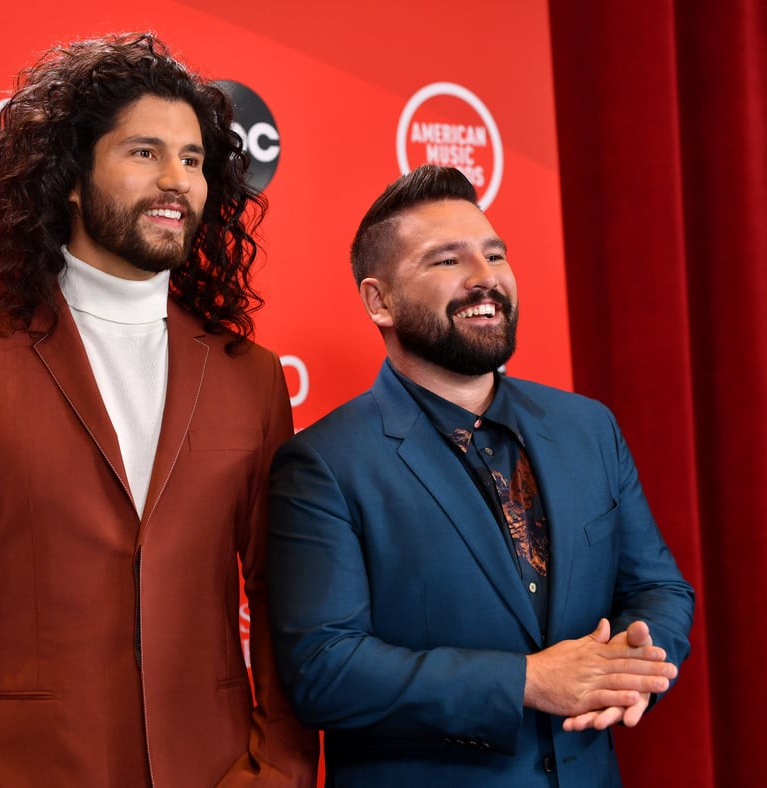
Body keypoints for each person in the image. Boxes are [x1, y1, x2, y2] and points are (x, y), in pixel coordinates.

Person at [0, 32, 317, 787]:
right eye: (144, 153)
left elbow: (282, 593)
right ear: (73, 179)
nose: (176, 180)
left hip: (219, 770)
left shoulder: (253, 378)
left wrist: (278, 767)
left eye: (191, 160)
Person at [267, 165, 694, 787]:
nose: (485, 277)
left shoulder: (587, 427)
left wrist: (633, 670)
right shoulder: (325, 463)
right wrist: (527, 681)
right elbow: (324, 670)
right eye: (447, 261)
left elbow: (660, 588)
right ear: (378, 300)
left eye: (495, 254)